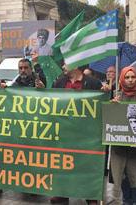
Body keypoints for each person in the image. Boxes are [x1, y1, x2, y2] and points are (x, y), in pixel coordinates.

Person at [50, 64, 101, 204]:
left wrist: (108, 93)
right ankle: (62, 192)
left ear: (75, 64)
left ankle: (90, 195)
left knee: (86, 163)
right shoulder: (59, 82)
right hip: (65, 131)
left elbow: (102, 103)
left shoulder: (93, 83)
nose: (63, 66)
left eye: (66, 62)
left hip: (86, 132)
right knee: (63, 162)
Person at [108, 67, 136, 205]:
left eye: (133, 77)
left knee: (135, 174)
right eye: (127, 77)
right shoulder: (116, 95)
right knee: (121, 174)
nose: (130, 80)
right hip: (119, 146)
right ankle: (126, 201)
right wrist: (113, 106)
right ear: (122, 78)